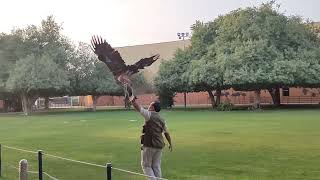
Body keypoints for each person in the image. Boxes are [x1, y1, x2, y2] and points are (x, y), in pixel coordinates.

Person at [129, 95, 172, 180]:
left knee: (146, 166)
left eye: (150, 105)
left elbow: (137, 107)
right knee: (156, 166)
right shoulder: (162, 119)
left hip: (149, 145)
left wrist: (132, 99)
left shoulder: (149, 114)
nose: (148, 106)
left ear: (153, 107)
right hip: (159, 145)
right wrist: (170, 143)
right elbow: (166, 133)